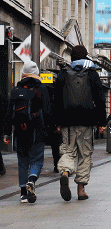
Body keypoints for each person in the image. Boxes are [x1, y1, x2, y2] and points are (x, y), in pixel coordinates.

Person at [54, 45, 106, 201]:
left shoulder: (63, 74)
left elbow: (56, 99)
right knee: (85, 154)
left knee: (67, 151)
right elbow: (100, 99)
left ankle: (64, 172)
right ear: (86, 57)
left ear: (72, 57)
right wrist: (101, 121)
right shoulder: (92, 74)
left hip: (67, 121)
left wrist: (57, 121)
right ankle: (81, 189)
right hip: (86, 121)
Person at [2, 60, 53, 203]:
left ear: (23, 73)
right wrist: (51, 129)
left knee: (22, 161)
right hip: (37, 130)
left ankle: (23, 193)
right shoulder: (42, 89)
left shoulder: (15, 91)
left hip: (20, 131)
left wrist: (6, 133)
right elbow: (48, 112)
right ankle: (32, 179)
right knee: (37, 159)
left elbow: (8, 114)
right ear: (36, 73)